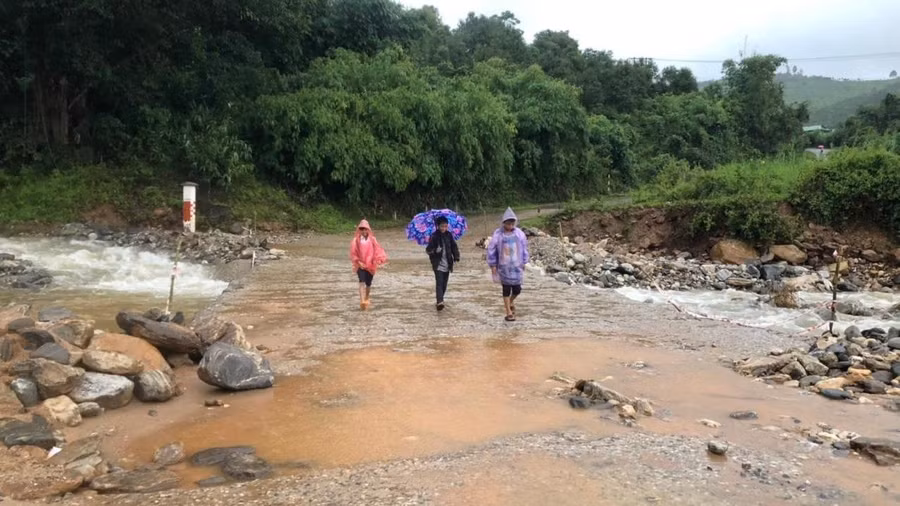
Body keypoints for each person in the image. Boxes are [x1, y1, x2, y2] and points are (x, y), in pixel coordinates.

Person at [486, 207, 529, 321]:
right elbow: (492, 250)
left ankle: (510, 301)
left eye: (512, 224)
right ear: (504, 223)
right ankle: (508, 312)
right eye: (508, 224)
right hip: (504, 267)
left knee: (517, 289)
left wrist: (524, 261)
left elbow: (524, 248)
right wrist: (493, 265)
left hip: (516, 266)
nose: (510, 226)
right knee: (506, 289)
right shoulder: (498, 234)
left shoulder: (519, 234)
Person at [349, 219, 387, 310]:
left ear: (368, 229)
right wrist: (358, 262)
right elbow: (353, 253)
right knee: (361, 281)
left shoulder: (373, 240)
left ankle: (366, 298)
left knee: (368, 283)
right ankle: (362, 300)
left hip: (371, 265)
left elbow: (377, 250)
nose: (364, 231)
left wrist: (378, 260)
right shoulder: (355, 241)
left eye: (365, 229)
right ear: (359, 230)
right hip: (360, 265)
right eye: (362, 229)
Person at [426, 216, 461, 311]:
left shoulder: (449, 235)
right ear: (438, 226)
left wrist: (456, 256)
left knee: (444, 284)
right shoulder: (434, 236)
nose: (444, 228)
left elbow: (454, 247)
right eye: (442, 226)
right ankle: (439, 302)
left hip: (447, 263)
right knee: (439, 283)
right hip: (437, 264)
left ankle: (441, 299)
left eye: (445, 226)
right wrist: (435, 251)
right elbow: (428, 250)